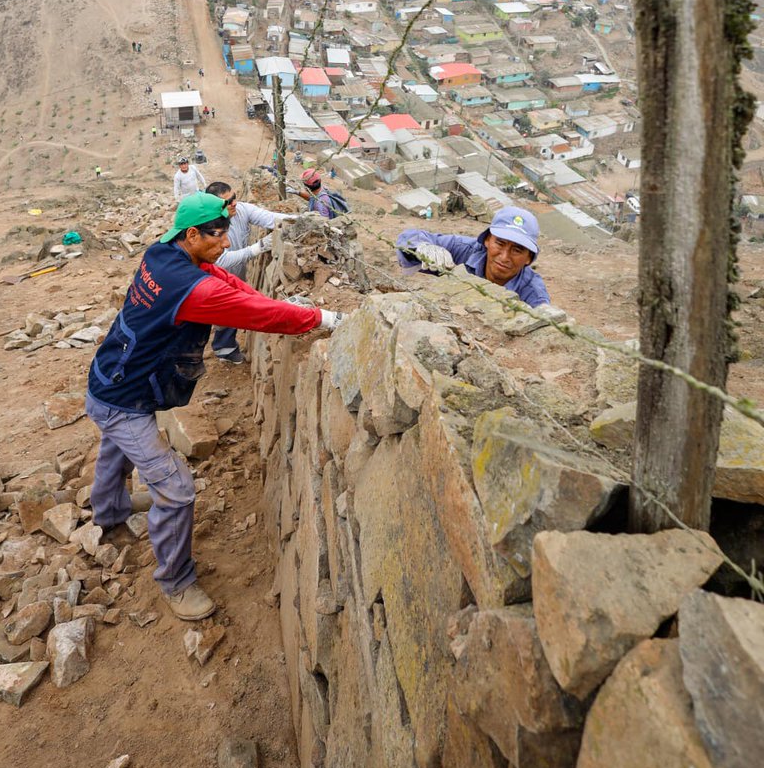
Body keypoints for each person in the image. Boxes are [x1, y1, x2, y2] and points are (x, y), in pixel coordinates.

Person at [85, 192, 343, 622]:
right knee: (176, 490)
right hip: (123, 399)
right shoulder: (190, 289)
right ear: (191, 234)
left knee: (117, 448)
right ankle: (175, 582)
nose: (226, 243)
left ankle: (110, 511)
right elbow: (251, 313)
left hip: (111, 377)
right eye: (218, 235)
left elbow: (224, 281)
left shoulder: (162, 254)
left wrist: (278, 303)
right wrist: (320, 319)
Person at [205, 180, 294, 364]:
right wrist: (257, 248)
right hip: (211, 279)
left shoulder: (242, 210)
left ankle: (225, 349)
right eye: (227, 202)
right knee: (212, 316)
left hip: (234, 275)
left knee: (230, 311)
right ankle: (194, 357)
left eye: (234, 197)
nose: (234, 203)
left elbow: (271, 218)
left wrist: (301, 220)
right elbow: (221, 260)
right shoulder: (208, 227)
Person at [396, 205, 550, 307]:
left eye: (517, 250)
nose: (504, 257)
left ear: (529, 258)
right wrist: (422, 248)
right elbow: (409, 237)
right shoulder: (464, 250)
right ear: (487, 240)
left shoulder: (533, 294)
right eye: (500, 243)